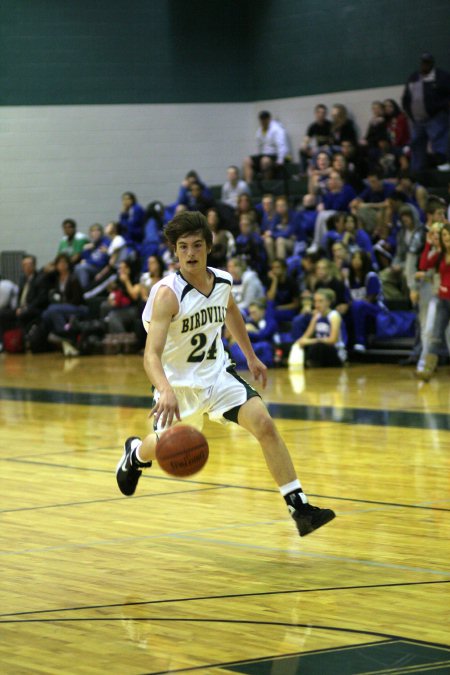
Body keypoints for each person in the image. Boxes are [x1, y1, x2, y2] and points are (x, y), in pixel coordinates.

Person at [115, 211, 335, 537]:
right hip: (179, 386)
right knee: (163, 445)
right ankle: (134, 456)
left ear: (208, 247)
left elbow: (230, 311)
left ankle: (299, 508)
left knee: (264, 423)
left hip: (217, 373)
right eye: (184, 247)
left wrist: (251, 356)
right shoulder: (167, 295)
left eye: (197, 245)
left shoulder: (222, 281)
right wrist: (165, 390)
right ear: (175, 252)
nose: (191, 253)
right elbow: (151, 356)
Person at [402, 53, 450, 172]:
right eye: (423, 62)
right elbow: (406, 97)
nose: (425, 65)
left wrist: (442, 108)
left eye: (427, 62)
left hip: (436, 117)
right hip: (417, 120)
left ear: (432, 63)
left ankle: (443, 169)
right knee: (417, 144)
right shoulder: (414, 77)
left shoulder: (441, 76)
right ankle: (418, 171)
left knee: (439, 143)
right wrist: (410, 114)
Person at [295, 288, 347, 367]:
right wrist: (298, 343)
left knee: (319, 346)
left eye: (320, 301)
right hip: (320, 349)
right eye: (315, 301)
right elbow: (304, 338)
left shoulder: (334, 316)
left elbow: (332, 340)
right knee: (300, 345)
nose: (317, 305)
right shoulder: (316, 316)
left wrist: (313, 341)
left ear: (329, 302)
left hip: (335, 351)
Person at [244, 111, 290, 182]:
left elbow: (281, 146)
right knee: (247, 160)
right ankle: (249, 185)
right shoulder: (259, 131)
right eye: (261, 120)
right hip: (264, 155)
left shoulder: (277, 129)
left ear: (269, 119)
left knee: (265, 161)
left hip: (275, 156)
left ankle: (266, 184)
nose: (263, 121)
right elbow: (259, 147)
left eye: (264, 119)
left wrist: (280, 160)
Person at [299, 104, 332, 173]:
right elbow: (307, 139)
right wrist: (305, 145)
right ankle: (302, 173)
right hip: (318, 148)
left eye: (323, 113)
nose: (321, 115)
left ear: (326, 114)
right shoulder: (313, 126)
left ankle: (314, 170)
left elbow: (332, 141)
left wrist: (321, 148)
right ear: (316, 113)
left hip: (328, 148)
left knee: (318, 151)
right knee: (302, 150)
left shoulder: (329, 125)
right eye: (319, 112)